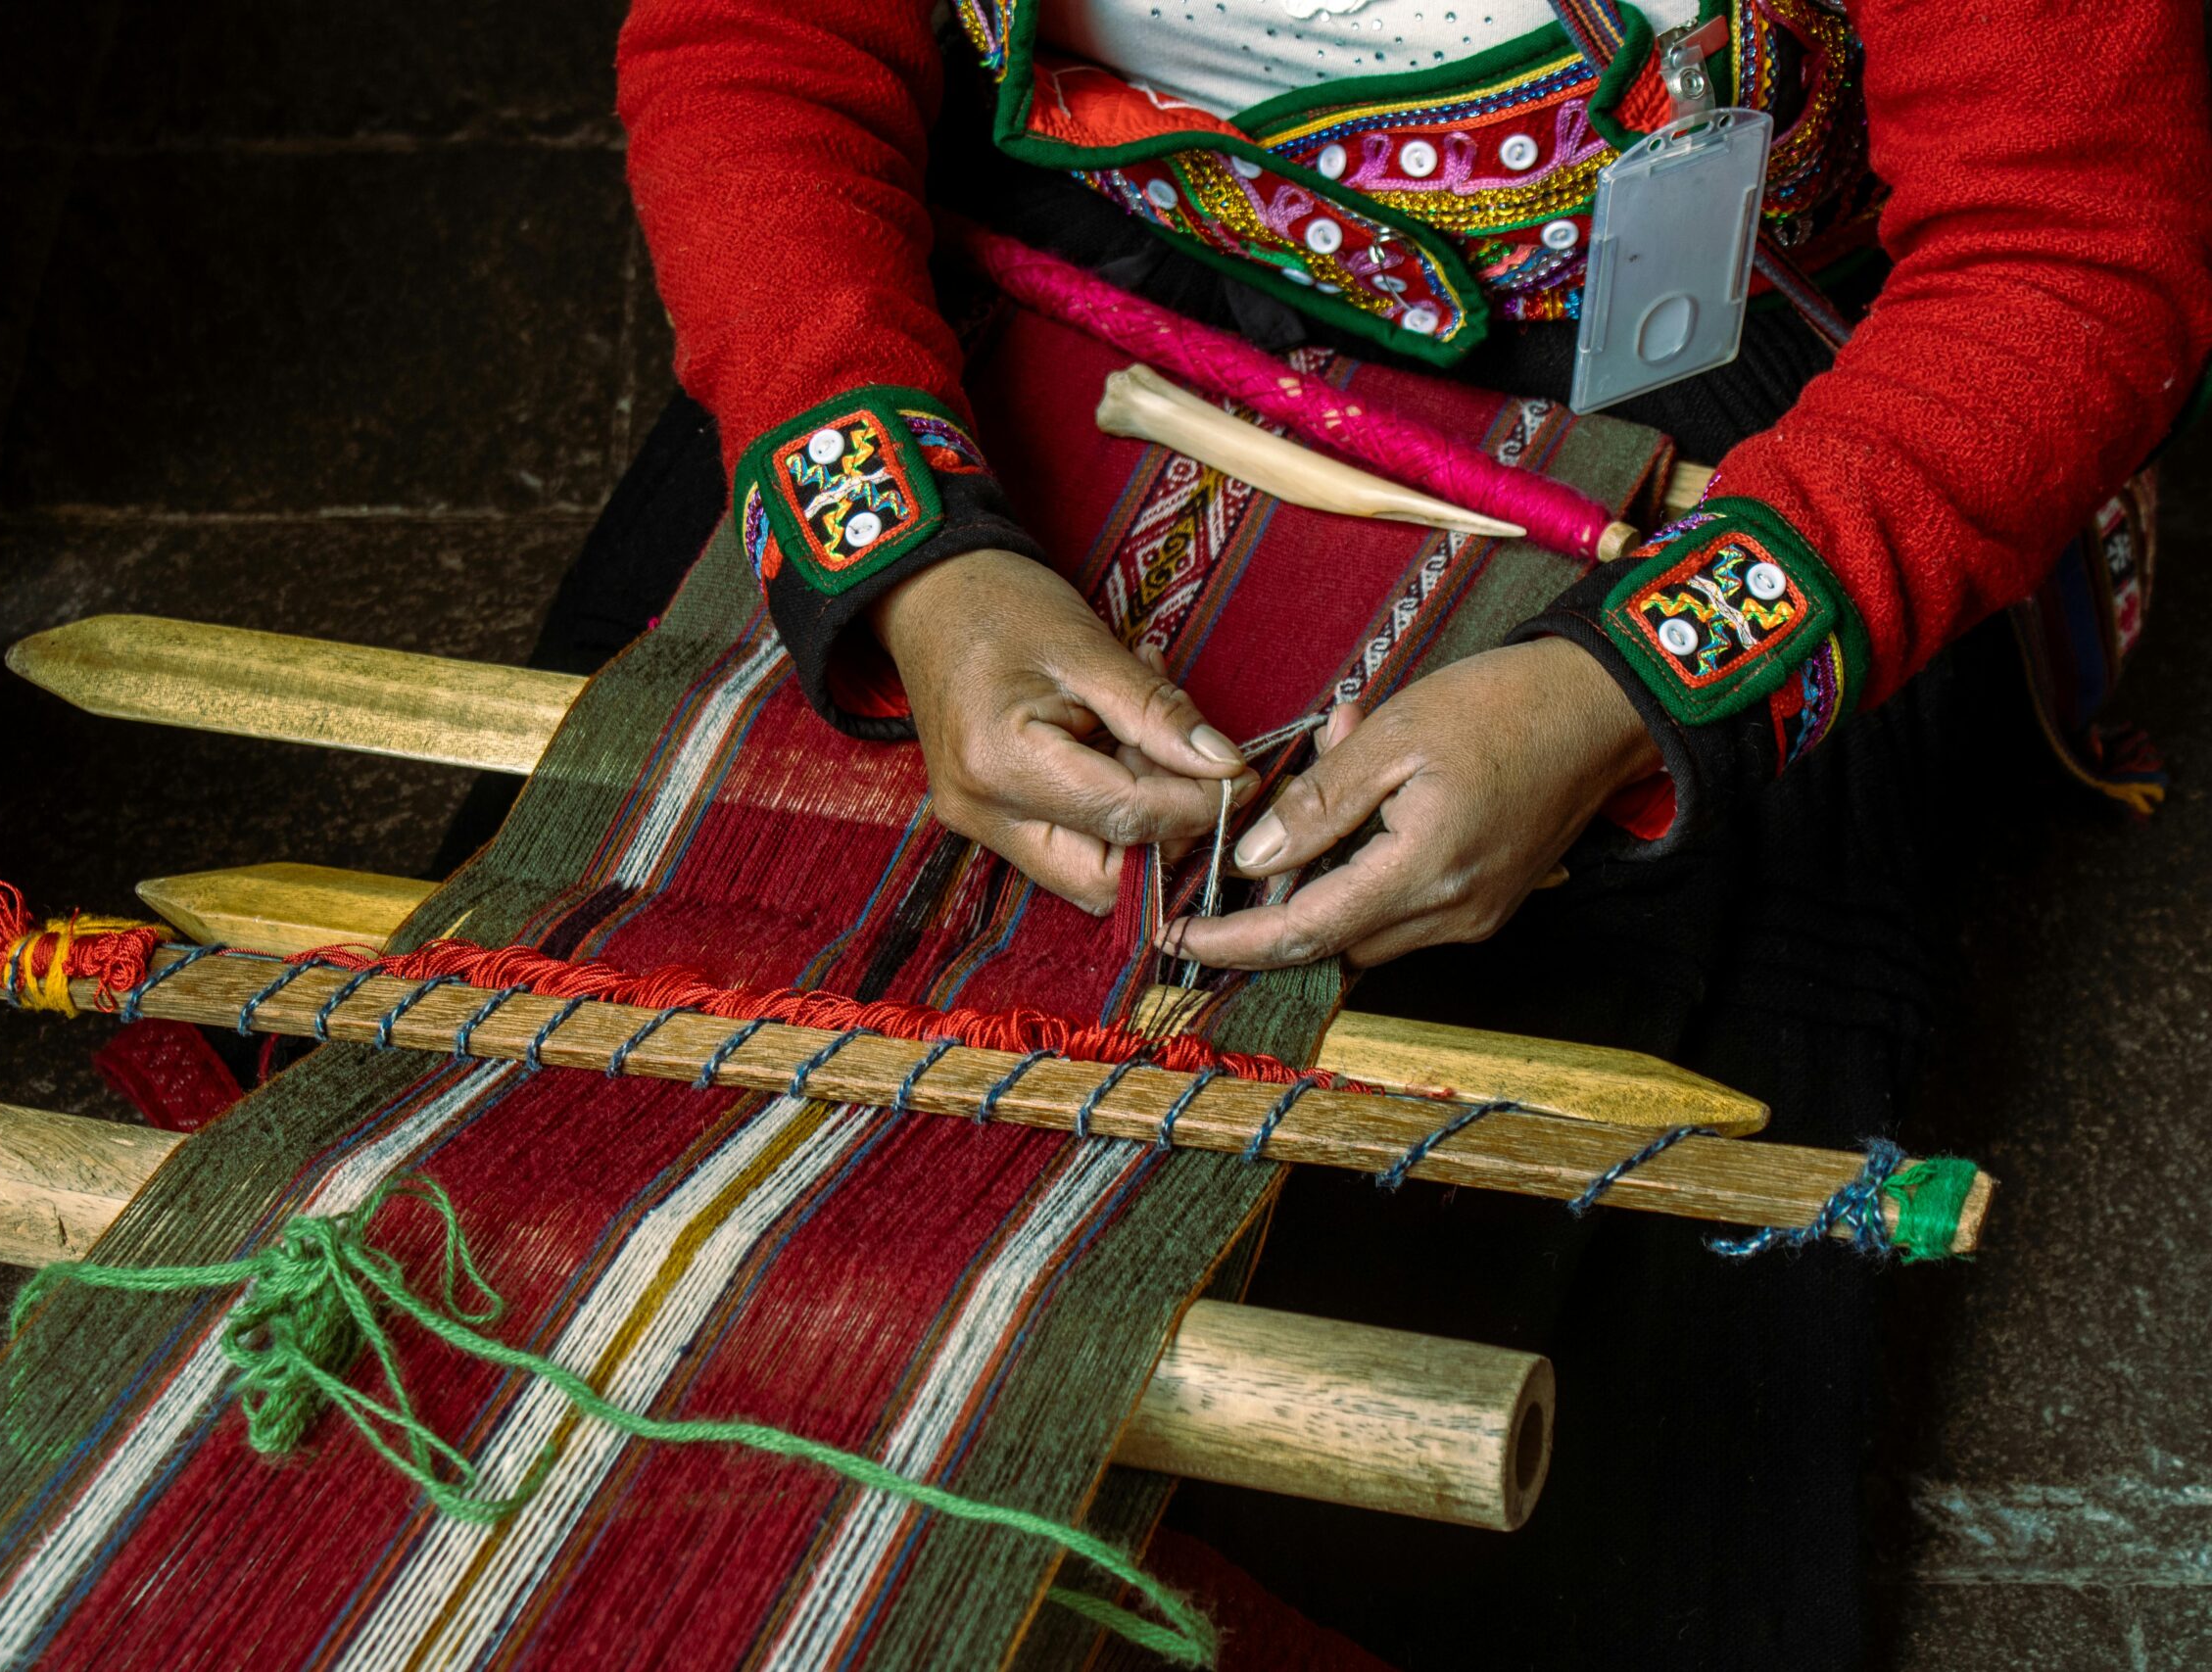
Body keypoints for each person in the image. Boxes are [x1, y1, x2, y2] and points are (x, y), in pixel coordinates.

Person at [559, 1, 2212, 1662]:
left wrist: (1624, 692)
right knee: (594, 1109)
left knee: (1528, 1328)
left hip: (1726, 385)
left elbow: (2062, 250)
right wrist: (914, 562)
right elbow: (756, 33)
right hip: (1075, 257)